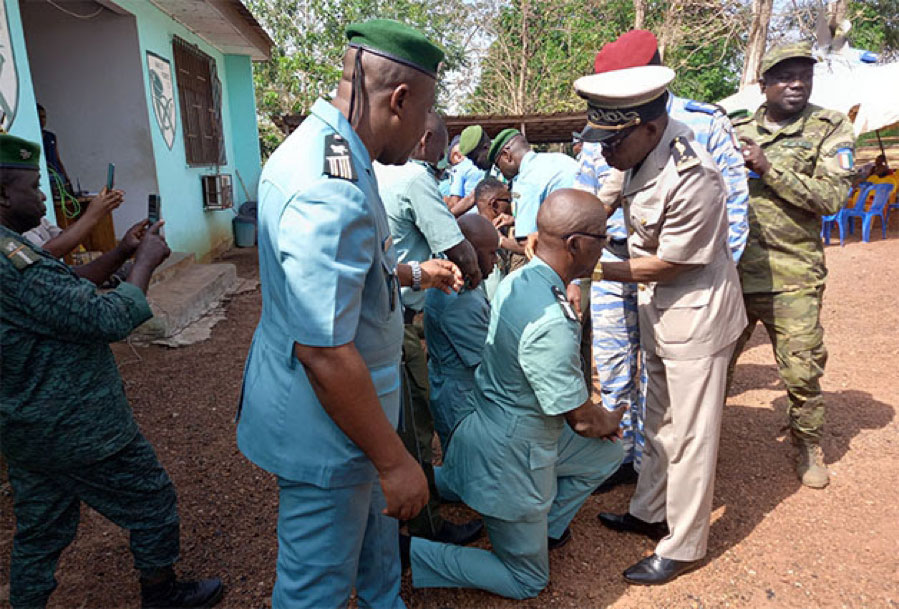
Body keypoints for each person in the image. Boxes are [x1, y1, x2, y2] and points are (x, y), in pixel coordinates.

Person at [235, 20, 463, 608]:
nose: (422, 134)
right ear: (401, 99)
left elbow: (352, 279)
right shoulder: (326, 186)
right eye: (426, 114)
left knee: (379, 568)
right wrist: (395, 461)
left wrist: (413, 273)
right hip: (333, 429)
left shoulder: (339, 151)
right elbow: (323, 349)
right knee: (317, 590)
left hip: (359, 417)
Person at [0, 133, 223, 609]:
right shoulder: (10, 264)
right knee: (151, 500)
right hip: (78, 426)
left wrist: (122, 254)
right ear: (2, 195)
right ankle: (161, 594)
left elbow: (64, 286)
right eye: (34, 186)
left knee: (39, 533)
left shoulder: (15, 254)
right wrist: (144, 264)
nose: (43, 195)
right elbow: (108, 319)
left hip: (28, 428)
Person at [575, 64, 747, 584]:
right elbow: (601, 200)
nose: (603, 151)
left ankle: (685, 544)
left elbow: (670, 263)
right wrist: (564, 227)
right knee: (657, 421)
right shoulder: (630, 151)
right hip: (661, 312)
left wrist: (589, 264)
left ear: (649, 129)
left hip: (697, 316)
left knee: (692, 435)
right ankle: (649, 512)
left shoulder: (694, 176)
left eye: (613, 142)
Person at [407, 189, 625, 600]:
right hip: (513, 457)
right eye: (603, 238)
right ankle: (415, 553)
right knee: (527, 580)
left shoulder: (521, 279)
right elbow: (580, 419)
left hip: (504, 431)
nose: (607, 245)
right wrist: (608, 418)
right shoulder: (552, 322)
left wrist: (600, 426)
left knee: (608, 454)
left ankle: (542, 529)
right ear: (576, 245)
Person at [731, 42, 855, 489]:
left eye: (804, 74)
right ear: (763, 84)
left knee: (801, 368)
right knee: (716, 365)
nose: (797, 83)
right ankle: (707, 444)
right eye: (785, 76)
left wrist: (769, 169)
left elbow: (832, 198)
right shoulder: (734, 127)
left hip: (792, 274)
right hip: (733, 273)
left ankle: (807, 442)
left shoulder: (830, 127)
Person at [375, 111, 484, 545]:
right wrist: (475, 279)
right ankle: (425, 527)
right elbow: (459, 248)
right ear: (425, 139)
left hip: (385, 312)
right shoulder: (415, 177)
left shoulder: (375, 172)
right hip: (399, 322)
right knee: (416, 425)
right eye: (441, 148)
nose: (443, 158)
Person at [423, 213, 498, 446]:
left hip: (461, 388)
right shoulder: (458, 299)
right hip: (461, 396)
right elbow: (489, 359)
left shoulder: (465, 284)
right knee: (468, 461)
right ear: (471, 254)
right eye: (492, 253)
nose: (496, 261)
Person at [489, 128, 579, 248]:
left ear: (506, 156)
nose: (500, 171)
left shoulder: (526, 181)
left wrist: (500, 240)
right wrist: (515, 220)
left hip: (572, 247)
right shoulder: (560, 159)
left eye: (498, 165)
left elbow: (528, 244)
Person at [23, 187, 124, 259]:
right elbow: (47, 253)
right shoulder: (13, 230)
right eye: (34, 188)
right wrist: (92, 215)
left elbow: (63, 237)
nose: (44, 196)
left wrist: (97, 212)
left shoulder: (39, 219)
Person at [445, 132, 485, 215]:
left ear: (456, 156)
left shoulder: (459, 168)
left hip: (471, 218)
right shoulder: (485, 163)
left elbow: (454, 202)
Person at [37, 104, 72, 198]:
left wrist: (66, 177)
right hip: (43, 179)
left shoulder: (51, 136)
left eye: (44, 117)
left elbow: (57, 158)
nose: (41, 120)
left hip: (57, 177)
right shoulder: (33, 138)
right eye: (39, 116)